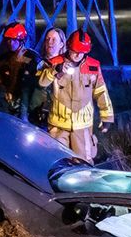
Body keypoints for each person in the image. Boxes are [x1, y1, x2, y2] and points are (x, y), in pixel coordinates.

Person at [37, 29, 113, 161]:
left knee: (84, 163)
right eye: (75, 50)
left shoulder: (93, 66)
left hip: (82, 126)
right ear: (68, 47)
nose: (78, 55)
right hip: (58, 125)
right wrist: (55, 71)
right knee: (57, 161)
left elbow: (101, 91)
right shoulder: (54, 62)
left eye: (82, 52)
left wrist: (107, 117)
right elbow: (41, 82)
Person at [0, 21, 39, 117]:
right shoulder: (4, 58)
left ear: (21, 40)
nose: (10, 43)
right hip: (7, 100)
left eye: (14, 40)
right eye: (8, 40)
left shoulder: (30, 57)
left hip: (25, 103)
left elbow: (29, 80)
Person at [27, 27, 66, 128]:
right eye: (47, 39)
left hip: (60, 116)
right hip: (37, 113)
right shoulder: (37, 63)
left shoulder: (67, 65)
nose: (50, 42)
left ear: (61, 44)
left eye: (54, 39)